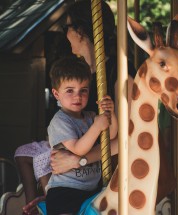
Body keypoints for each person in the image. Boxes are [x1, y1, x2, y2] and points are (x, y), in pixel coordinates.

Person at [14, 1, 135, 214]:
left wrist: (78, 160)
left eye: (66, 27)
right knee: (32, 156)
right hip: (81, 167)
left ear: (80, 30)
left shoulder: (120, 71)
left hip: (105, 163)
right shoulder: (79, 73)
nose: (78, 95)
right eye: (70, 91)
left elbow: (127, 136)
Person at [44, 56, 117, 214]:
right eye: (70, 90)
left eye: (83, 90)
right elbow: (78, 149)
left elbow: (111, 137)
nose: (78, 96)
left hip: (90, 189)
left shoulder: (90, 116)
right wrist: (97, 126)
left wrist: (111, 113)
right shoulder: (60, 122)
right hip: (64, 192)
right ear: (56, 94)